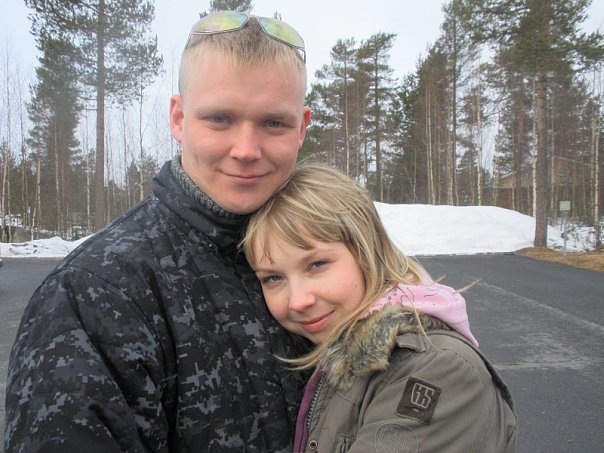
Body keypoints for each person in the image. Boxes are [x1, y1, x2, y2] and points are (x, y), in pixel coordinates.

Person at [4, 11, 311, 452]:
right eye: (220, 119)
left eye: (274, 123)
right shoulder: (95, 294)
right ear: (179, 118)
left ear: (302, 127)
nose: (246, 150)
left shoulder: (333, 262)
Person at [242, 164, 518, 452]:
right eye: (273, 278)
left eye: (317, 264)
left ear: (367, 252)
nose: (298, 301)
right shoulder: (335, 349)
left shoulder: (436, 370)